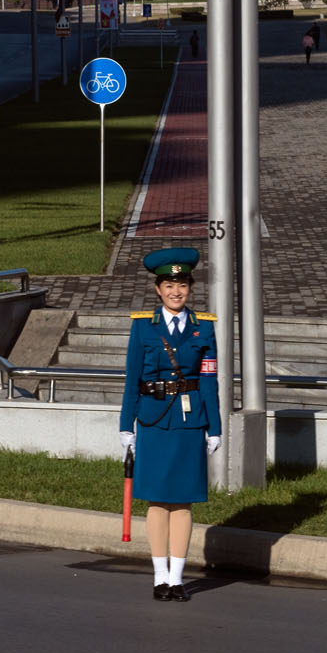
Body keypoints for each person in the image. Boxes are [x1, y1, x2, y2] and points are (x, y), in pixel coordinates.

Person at [118, 248, 221, 602]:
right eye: (169, 285)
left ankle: (177, 579)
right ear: (158, 289)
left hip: (190, 422)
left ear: (190, 288)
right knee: (158, 502)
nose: (176, 291)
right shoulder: (142, 326)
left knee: (183, 502)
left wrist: (215, 427)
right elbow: (132, 378)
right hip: (154, 419)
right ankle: (159, 577)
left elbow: (209, 380)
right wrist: (126, 426)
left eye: (182, 285)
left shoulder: (203, 327)